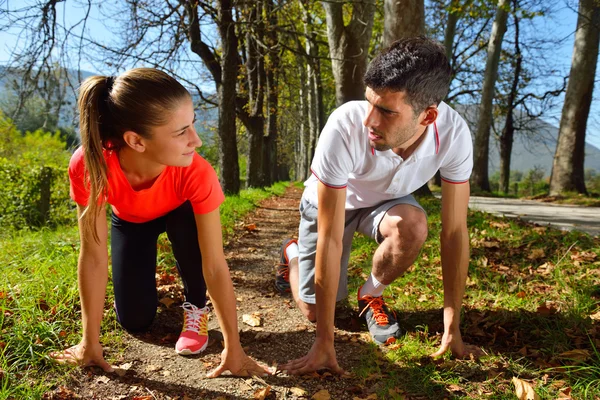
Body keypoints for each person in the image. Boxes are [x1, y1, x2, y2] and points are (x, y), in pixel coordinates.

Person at [276, 36, 482, 375]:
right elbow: (330, 237)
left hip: (386, 202)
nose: (369, 120)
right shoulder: (344, 126)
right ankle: (294, 254)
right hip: (331, 203)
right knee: (314, 310)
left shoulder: (454, 135)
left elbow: (455, 232)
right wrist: (323, 343)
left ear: (428, 116)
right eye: (369, 102)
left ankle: (371, 293)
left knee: (414, 225)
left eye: (386, 111)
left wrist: (452, 329)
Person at [50, 68, 269, 378]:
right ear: (136, 141)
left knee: (189, 235)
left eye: (192, 125)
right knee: (135, 321)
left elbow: (216, 265)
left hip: (181, 213)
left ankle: (195, 305)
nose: (197, 141)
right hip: (131, 221)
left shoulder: (196, 172)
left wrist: (234, 347)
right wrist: (89, 342)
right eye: (182, 132)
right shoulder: (89, 164)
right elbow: (94, 257)